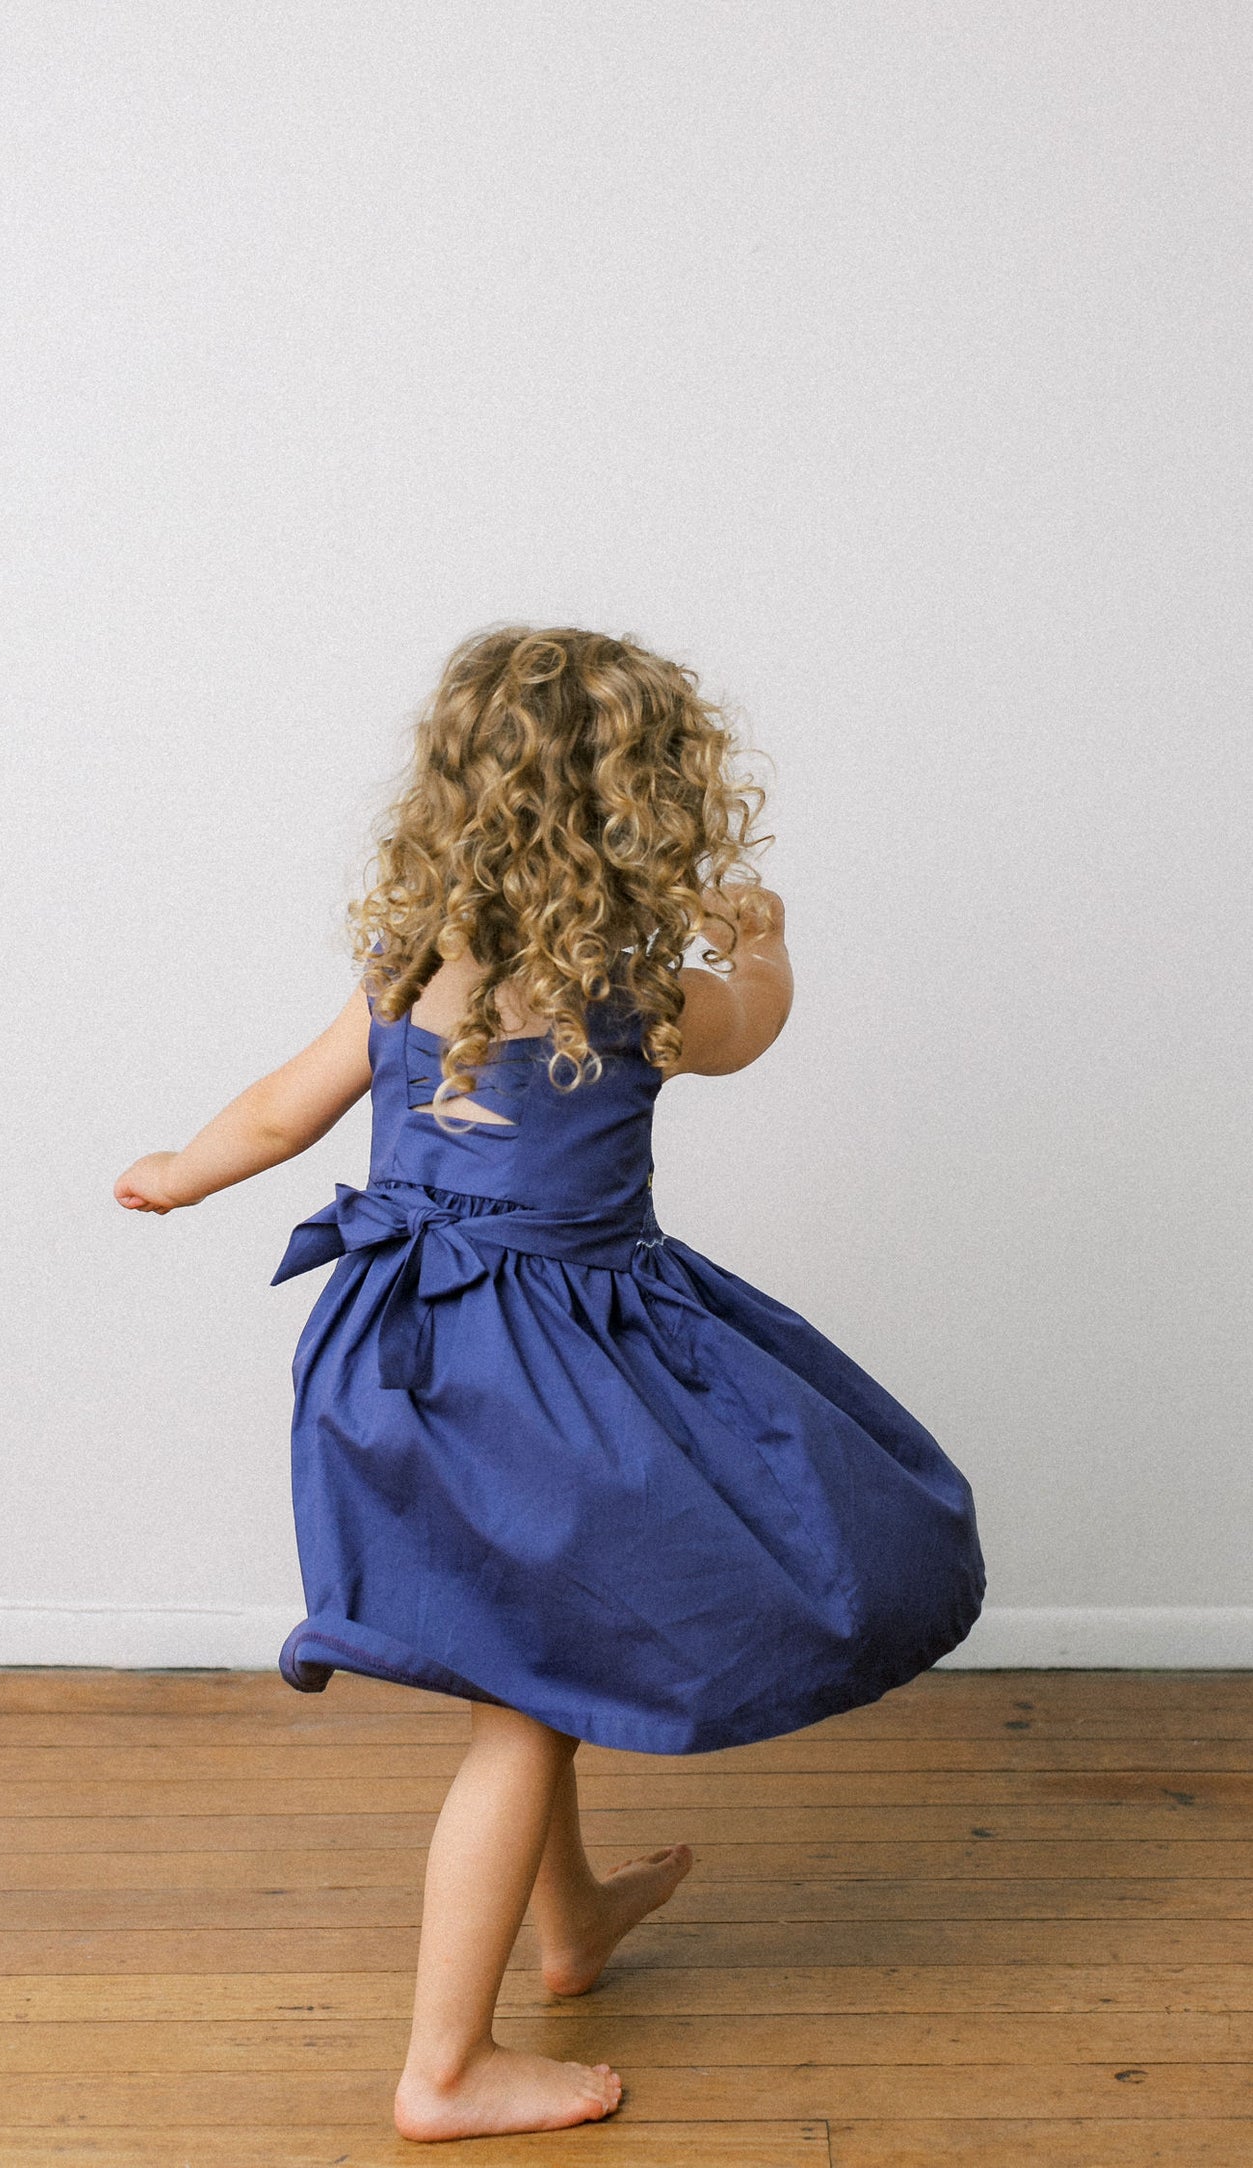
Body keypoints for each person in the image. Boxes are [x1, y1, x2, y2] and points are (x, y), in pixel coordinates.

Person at [115, 624, 986, 2142]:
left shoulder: (406, 969)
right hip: (557, 1374)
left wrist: (177, 1175)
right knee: (523, 1704)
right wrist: (762, 941)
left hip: (398, 1355)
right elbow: (753, 1027)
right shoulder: (640, 995)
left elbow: (272, 1115)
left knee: (535, 1652)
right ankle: (444, 2068)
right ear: (644, 804)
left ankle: (573, 1922)